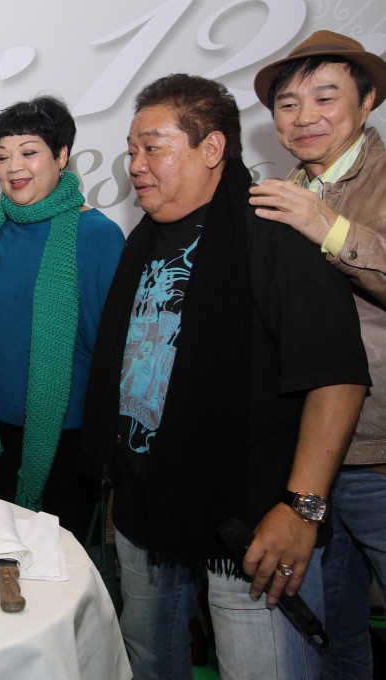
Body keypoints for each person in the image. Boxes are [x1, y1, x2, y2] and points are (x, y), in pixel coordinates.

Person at [81, 73, 369, 679]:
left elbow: (337, 376)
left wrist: (301, 507)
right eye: (131, 150)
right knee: (151, 661)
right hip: (145, 512)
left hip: (249, 525)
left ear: (211, 150)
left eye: (152, 147)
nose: (135, 165)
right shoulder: (143, 240)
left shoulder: (273, 231)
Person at [249, 30, 386, 680]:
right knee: (331, 633)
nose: (304, 118)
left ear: (367, 101)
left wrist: (326, 227)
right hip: (315, 460)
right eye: (289, 104)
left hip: (382, 455)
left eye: (324, 98)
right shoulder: (280, 193)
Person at [0, 96, 124, 528]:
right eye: (2, 156)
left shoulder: (98, 236)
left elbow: (111, 351)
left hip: (65, 440)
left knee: (55, 573)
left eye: (29, 152)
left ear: (61, 156)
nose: (13, 166)